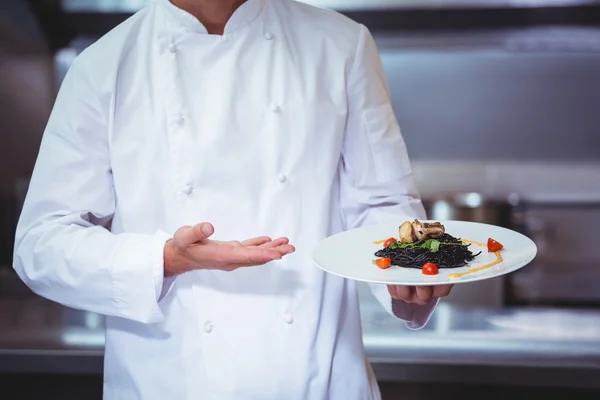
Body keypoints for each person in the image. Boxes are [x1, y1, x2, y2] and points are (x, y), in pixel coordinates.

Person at [13, 0, 453, 398]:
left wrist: (407, 269)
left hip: (319, 378)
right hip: (167, 383)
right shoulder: (103, 66)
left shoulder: (342, 45)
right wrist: (165, 259)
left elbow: (380, 203)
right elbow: (41, 245)